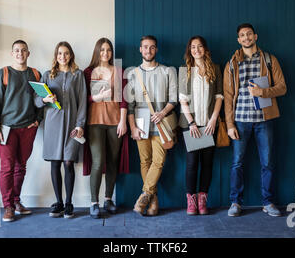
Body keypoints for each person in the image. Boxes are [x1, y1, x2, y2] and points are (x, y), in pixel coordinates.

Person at [223, 23, 287, 217]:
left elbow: (282, 87)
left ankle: (268, 203)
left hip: (264, 120)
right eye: (242, 35)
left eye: (249, 34)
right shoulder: (232, 63)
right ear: (238, 40)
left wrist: (262, 92)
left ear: (255, 36)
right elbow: (227, 96)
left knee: (267, 162)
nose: (246, 38)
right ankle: (235, 202)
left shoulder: (269, 60)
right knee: (237, 163)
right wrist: (230, 124)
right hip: (240, 120)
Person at [0, 40, 42, 222]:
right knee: (7, 169)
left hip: (28, 128)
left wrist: (38, 120)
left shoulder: (35, 74)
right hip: (7, 130)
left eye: (23, 50)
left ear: (29, 53)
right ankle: (8, 206)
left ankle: (17, 201)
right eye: (17, 51)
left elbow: (42, 99)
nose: (20, 53)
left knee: (21, 167)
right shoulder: (2, 73)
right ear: (12, 53)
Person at [34, 41, 87, 219]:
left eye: (66, 53)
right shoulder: (48, 75)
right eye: (59, 54)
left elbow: (83, 102)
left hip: (72, 125)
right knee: (55, 163)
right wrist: (45, 100)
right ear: (55, 56)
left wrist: (80, 125)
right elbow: (36, 100)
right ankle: (59, 202)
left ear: (71, 55)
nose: (62, 57)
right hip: (53, 125)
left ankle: (69, 202)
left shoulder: (77, 75)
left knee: (68, 162)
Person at [126, 35, 178, 216]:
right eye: (145, 47)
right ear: (140, 49)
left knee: (159, 161)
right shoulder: (132, 73)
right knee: (145, 161)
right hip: (140, 122)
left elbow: (174, 98)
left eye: (152, 47)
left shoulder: (168, 71)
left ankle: (145, 195)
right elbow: (130, 106)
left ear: (156, 50)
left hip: (162, 122)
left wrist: (162, 113)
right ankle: (153, 201)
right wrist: (132, 127)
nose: (148, 50)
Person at [83, 37, 128, 219]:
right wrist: (96, 97)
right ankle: (94, 202)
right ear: (97, 51)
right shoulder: (87, 72)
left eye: (108, 50)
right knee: (98, 161)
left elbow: (125, 99)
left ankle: (108, 199)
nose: (105, 53)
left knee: (112, 161)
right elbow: (81, 100)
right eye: (102, 50)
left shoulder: (119, 70)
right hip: (94, 122)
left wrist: (123, 121)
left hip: (115, 121)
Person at [178, 36, 223, 215]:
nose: (196, 50)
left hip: (210, 125)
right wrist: (191, 123)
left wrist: (213, 119)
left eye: (200, 46)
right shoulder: (185, 70)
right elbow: (183, 100)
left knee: (207, 163)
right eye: (193, 47)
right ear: (190, 50)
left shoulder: (215, 69)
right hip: (191, 126)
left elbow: (219, 97)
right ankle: (191, 201)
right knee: (192, 164)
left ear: (205, 49)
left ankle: (203, 200)